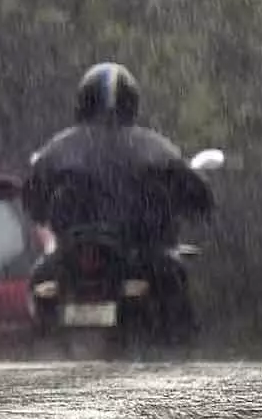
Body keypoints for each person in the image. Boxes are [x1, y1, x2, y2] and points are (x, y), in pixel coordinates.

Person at [22, 62, 213, 339]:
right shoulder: (154, 146)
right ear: (131, 102)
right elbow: (196, 194)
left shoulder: (59, 148)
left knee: (41, 279)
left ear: (83, 101)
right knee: (176, 282)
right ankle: (177, 348)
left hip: (77, 253)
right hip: (139, 250)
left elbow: (32, 198)